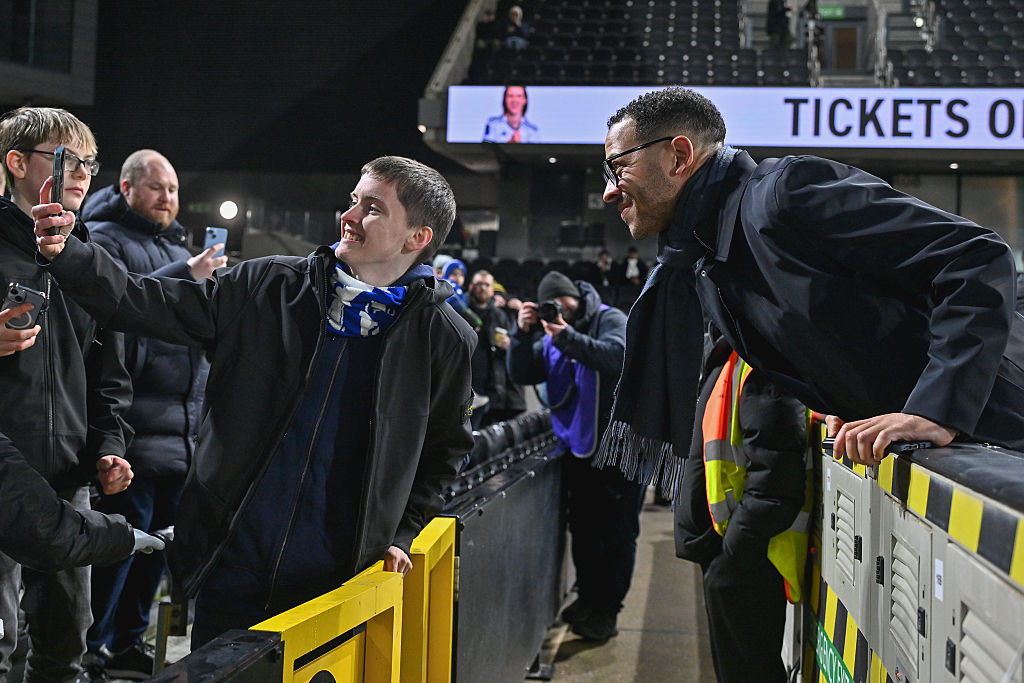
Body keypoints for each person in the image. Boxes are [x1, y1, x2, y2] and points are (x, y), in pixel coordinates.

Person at [34, 156, 476, 648]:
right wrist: (68, 253)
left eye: (372, 208)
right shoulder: (266, 285)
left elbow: (445, 452)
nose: (349, 217)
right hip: (231, 565)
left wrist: (401, 533)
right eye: (353, 200)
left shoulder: (445, 339)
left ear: (417, 238)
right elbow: (141, 302)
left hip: (337, 581)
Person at [594, 86, 1024, 499]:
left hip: (1005, 422)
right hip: (969, 450)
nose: (609, 191)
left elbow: (975, 257)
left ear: (680, 156)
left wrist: (935, 409)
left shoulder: (784, 193)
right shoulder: (707, 263)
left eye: (617, 167)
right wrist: (854, 398)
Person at [80, 149, 226, 680]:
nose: (168, 199)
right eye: (157, 188)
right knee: (117, 546)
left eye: (174, 190)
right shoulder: (102, 238)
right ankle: (88, 647)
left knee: (156, 551)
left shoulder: (179, 245)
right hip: (133, 429)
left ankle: (125, 643)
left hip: (183, 430)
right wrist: (185, 273)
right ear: (126, 188)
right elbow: (118, 303)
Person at [0, 106, 135, 682]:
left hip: (69, 480)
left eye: (88, 162)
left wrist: (109, 446)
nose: (81, 173)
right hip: (4, 482)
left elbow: (112, 376)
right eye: (65, 159)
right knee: (1, 638)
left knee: (65, 642)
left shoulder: (92, 263)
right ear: (15, 163)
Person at [507, 271, 645, 642]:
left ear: (576, 298)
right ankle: (588, 599)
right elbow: (521, 372)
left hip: (620, 448)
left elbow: (616, 356)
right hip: (580, 449)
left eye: (563, 302)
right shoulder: (552, 334)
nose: (559, 309)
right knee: (585, 530)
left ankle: (607, 612)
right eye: (552, 305)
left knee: (616, 533)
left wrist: (565, 335)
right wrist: (521, 335)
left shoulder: (609, 318)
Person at [674, 327, 811, 682]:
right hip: (728, 547)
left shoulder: (761, 361)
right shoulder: (732, 357)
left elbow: (775, 479)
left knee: (748, 671)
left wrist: (734, 553)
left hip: (747, 556)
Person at [0, 431, 162, 574]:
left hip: (70, 476)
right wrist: (120, 537)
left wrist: (109, 444)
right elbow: (42, 528)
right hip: (43, 504)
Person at [467, 269, 525, 427]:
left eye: (487, 285)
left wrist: (508, 345)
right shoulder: (461, 310)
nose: (483, 288)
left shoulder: (500, 315)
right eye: (479, 284)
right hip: (467, 381)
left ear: (493, 289)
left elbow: (512, 347)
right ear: (471, 287)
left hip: (491, 384)